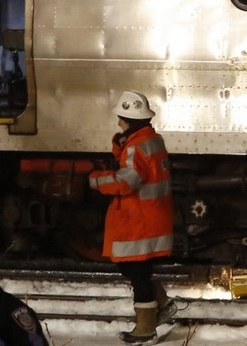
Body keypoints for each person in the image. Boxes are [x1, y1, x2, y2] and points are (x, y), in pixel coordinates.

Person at [89, 90, 177, 345]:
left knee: (135, 270)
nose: (118, 123)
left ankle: (146, 328)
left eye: (122, 119)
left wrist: (96, 180)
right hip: (151, 217)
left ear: (130, 120)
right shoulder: (151, 140)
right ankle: (162, 303)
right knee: (135, 268)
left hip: (138, 220)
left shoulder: (137, 146)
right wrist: (121, 143)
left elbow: (128, 180)